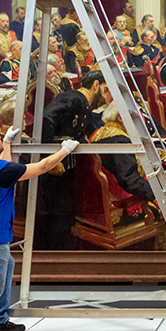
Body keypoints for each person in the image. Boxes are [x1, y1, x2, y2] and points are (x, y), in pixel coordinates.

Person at [0, 122, 76, 331]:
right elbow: (42, 167)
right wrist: (65, 150)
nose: (1, 135)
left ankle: (0, 321)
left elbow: (3, 166)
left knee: (7, 266)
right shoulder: (2, 170)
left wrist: (8, 144)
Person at [37, 70, 108, 250]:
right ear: (96, 84)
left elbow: (91, 128)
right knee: (53, 213)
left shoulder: (85, 104)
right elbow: (45, 119)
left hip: (68, 166)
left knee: (64, 211)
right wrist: (49, 157)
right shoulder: (73, 98)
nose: (106, 96)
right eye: (105, 89)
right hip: (54, 166)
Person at [88, 103, 156, 203]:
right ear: (120, 118)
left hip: (96, 199)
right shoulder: (121, 141)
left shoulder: (99, 133)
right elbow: (130, 180)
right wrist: (156, 195)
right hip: (119, 202)